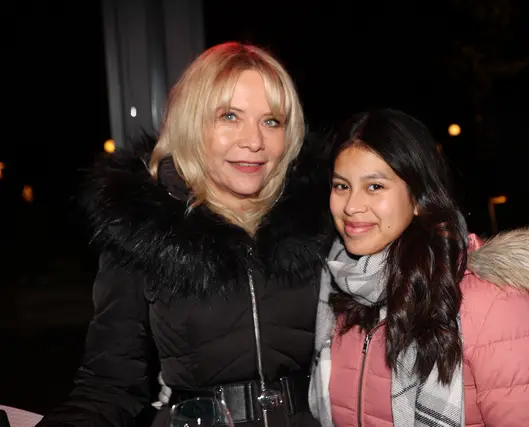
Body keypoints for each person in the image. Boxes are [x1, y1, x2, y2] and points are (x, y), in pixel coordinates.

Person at [36, 42, 332, 427]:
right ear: (192, 124)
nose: (254, 141)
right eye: (229, 116)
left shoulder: (319, 217)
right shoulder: (145, 229)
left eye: (271, 121)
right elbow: (109, 385)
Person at [308, 108, 529, 427]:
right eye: (341, 186)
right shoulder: (339, 292)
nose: (351, 206)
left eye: (374, 186)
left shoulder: (495, 304)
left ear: (419, 198)